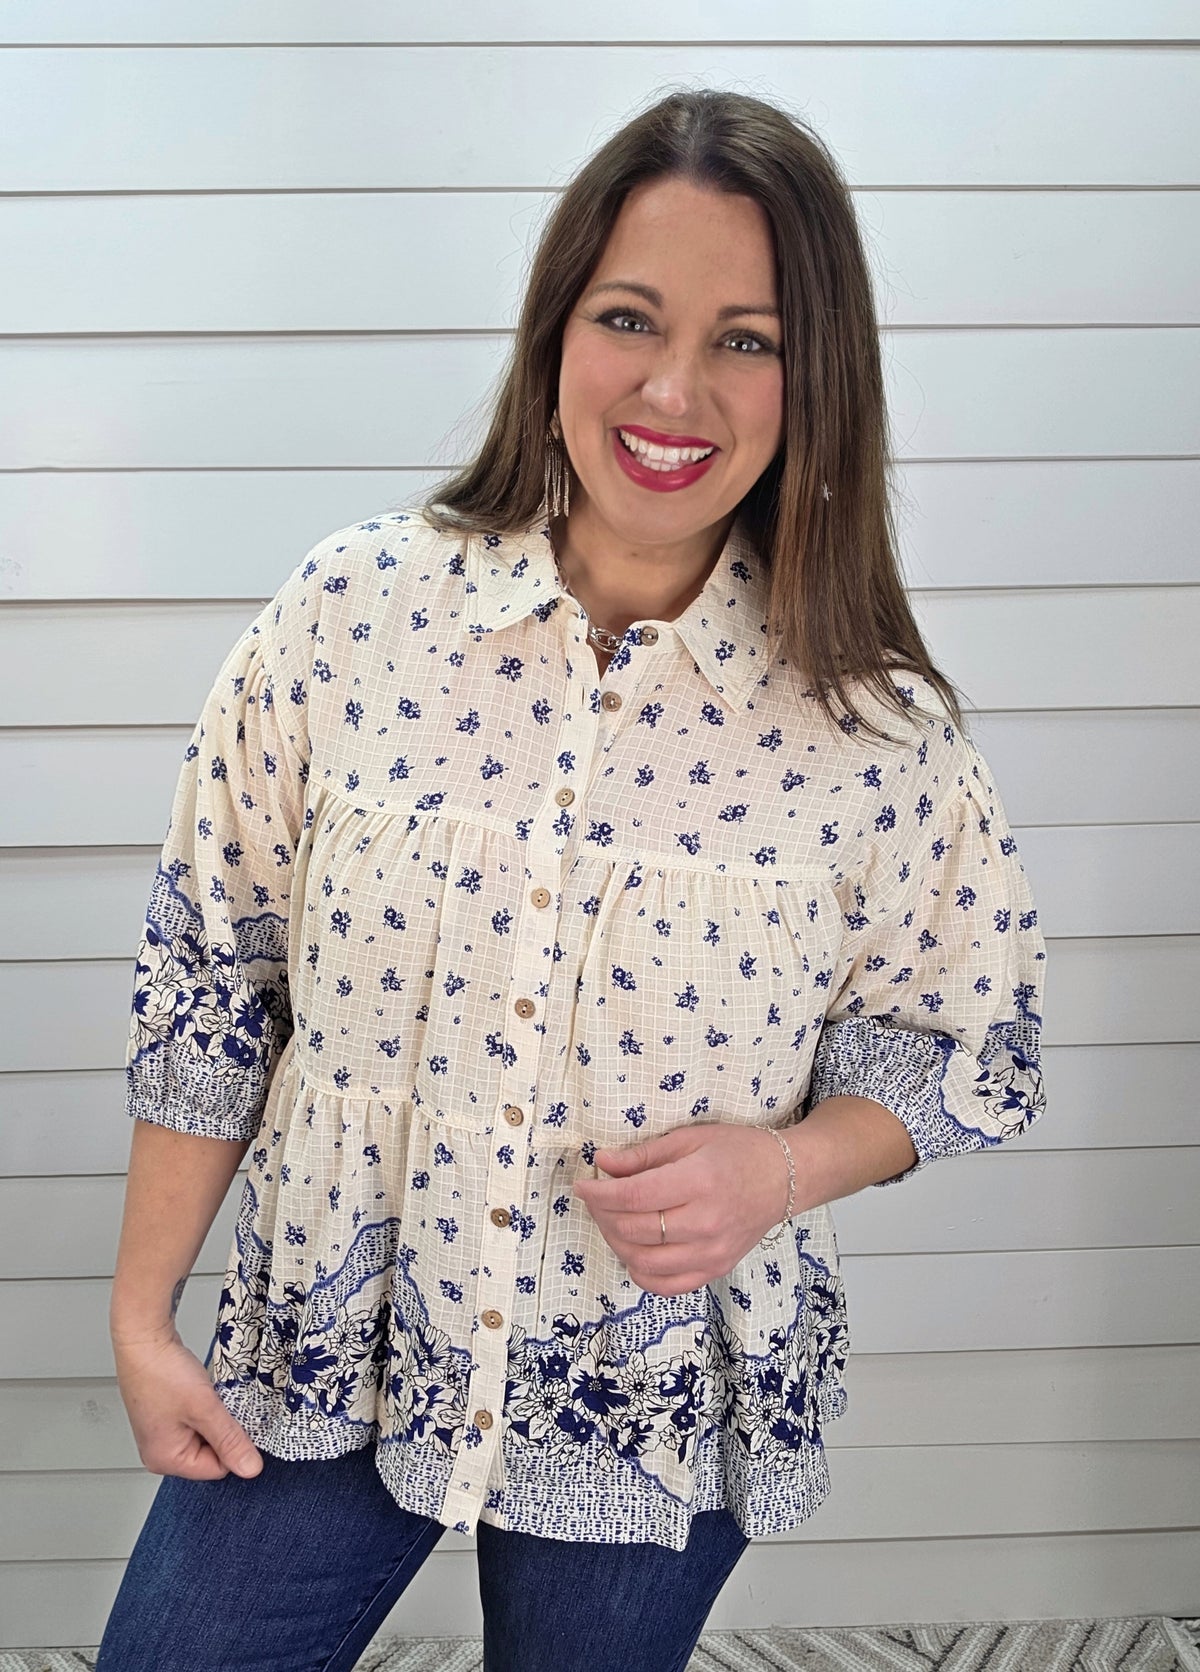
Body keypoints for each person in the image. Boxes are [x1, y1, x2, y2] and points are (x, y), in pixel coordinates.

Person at [96, 87, 1047, 1671]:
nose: (676, 387)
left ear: (818, 382)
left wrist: (786, 1170)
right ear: (555, 335)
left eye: (749, 338)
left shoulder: (876, 730)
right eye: (630, 317)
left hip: (653, 1394)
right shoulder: (349, 618)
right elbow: (214, 980)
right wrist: (142, 1315)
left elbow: (959, 1047)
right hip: (336, 1346)